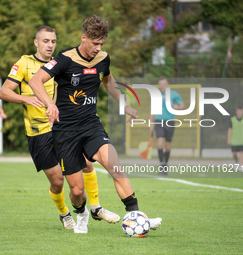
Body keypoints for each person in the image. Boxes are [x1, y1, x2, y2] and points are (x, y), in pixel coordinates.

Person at [29, 16, 162, 234]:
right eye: (95, 43)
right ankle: (81, 213)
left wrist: (124, 104)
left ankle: (137, 216)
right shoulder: (64, 58)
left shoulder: (103, 58)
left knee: (114, 165)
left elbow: (108, 80)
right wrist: (50, 104)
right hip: (65, 132)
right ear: (84, 38)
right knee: (77, 190)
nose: (98, 48)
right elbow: (35, 81)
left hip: (91, 125)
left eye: (102, 44)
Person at [0, 26, 120, 230]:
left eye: (53, 41)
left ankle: (96, 207)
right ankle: (64, 213)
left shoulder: (62, 62)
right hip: (39, 133)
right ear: (36, 43)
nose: (50, 45)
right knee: (57, 181)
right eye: (45, 41)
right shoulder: (24, 63)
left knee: (87, 165)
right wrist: (27, 99)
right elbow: (4, 92)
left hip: (64, 128)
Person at [149, 77, 185, 175]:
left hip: (170, 121)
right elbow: (152, 110)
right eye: (160, 84)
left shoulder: (174, 94)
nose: (162, 86)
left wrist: (177, 107)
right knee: (160, 143)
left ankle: (165, 165)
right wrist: (151, 124)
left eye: (164, 84)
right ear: (159, 85)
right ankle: (162, 165)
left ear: (167, 84)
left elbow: (182, 106)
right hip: (159, 121)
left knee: (168, 145)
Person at [227, 106, 243, 171]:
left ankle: (241, 166)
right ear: (236, 112)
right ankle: (236, 162)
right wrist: (228, 138)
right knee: (234, 153)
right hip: (234, 139)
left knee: (241, 153)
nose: (240, 112)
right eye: (239, 111)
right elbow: (230, 129)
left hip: (242, 139)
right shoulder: (233, 119)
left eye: (241, 111)